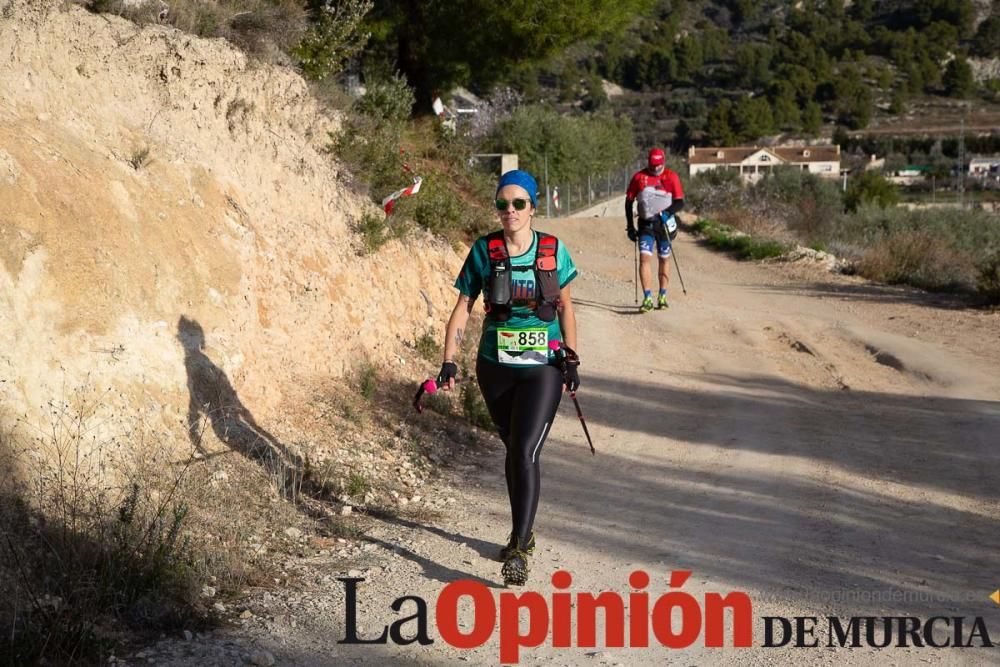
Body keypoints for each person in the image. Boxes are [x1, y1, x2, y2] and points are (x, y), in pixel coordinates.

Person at [437, 169, 579, 587]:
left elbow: (568, 308)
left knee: (524, 452)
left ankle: (518, 548)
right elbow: (463, 307)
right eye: (502, 203)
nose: (509, 211)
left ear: (533, 207)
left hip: (543, 371)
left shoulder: (553, 250)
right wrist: (449, 360)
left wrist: (571, 357)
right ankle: (523, 530)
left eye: (518, 203)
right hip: (494, 368)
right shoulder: (484, 250)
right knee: (513, 449)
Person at [625, 147, 685, 312]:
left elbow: (680, 202)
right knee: (644, 258)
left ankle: (663, 296)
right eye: (652, 165)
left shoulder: (672, 177)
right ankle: (647, 298)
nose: (656, 168)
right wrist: (630, 226)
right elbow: (629, 202)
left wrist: (668, 212)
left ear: (663, 162)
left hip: (664, 225)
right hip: (646, 225)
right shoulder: (639, 177)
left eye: (658, 165)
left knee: (664, 259)